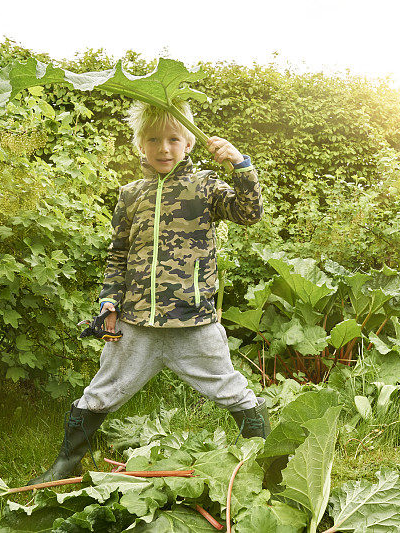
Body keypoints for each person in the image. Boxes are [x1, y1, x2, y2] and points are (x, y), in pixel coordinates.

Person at [28, 100, 269, 485]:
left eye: (174, 139)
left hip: (193, 322)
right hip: (136, 323)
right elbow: (118, 253)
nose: (164, 148)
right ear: (140, 145)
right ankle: (66, 463)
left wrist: (241, 166)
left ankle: (265, 462)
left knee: (232, 391)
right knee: (101, 392)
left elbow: (249, 212)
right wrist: (109, 301)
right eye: (153, 139)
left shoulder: (204, 186)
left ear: (189, 143)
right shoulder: (130, 194)